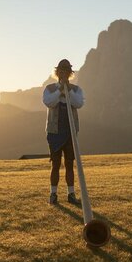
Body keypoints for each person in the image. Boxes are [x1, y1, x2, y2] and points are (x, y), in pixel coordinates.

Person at [42, 59, 84, 205]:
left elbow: (78, 103)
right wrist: (60, 89)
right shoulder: (50, 88)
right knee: (55, 163)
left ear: (70, 73)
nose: (64, 74)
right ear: (57, 72)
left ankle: (71, 193)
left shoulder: (76, 89)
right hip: (54, 132)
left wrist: (68, 90)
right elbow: (49, 102)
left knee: (69, 163)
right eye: (61, 71)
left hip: (71, 132)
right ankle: (53, 194)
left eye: (66, 71)